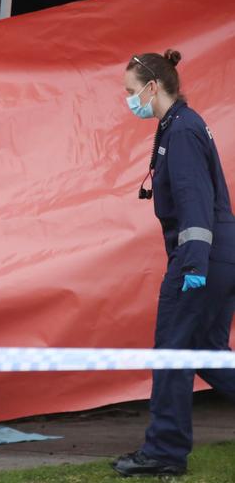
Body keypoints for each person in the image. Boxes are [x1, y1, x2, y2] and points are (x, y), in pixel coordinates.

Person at [112, 50, 235, 477]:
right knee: (206, 353)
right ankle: (165, 446)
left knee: (172, 353)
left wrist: (193, 265)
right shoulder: (179, 125)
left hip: (200, 258)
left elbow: (194, 203)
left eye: (130, 92)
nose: (128, 100)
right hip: (221, 255)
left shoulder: (181, 131)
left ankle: (164, 451)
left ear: (152, 88)